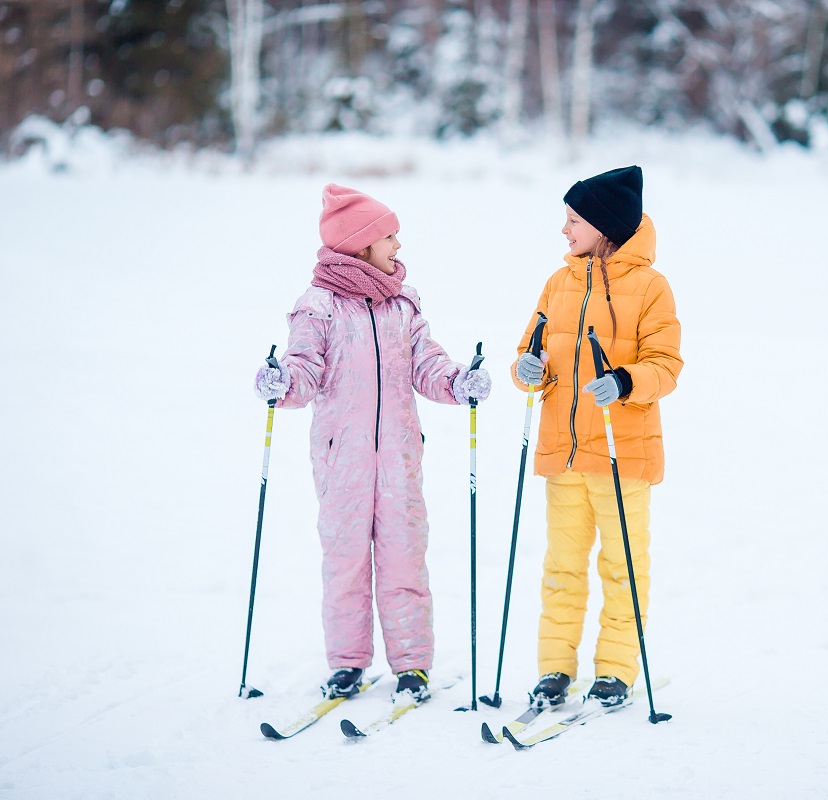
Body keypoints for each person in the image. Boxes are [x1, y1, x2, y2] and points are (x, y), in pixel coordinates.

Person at [254, 183, 491, 701]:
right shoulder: (317, 307)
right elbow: (304, 372)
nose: (398, 247)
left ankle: (412, 664)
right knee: (345, 564)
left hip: (400, 461)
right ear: (360, 243)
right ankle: (347, 663)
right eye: (389, 237)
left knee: (405, 559)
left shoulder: (403, 304)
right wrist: (281, 383)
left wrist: (456, 382)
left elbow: (427, 363)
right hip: (344, 462)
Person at [511, 165, 683, 708]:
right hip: (563, 456)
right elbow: (526, 351)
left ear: (605, 226)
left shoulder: (651, 287)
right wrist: (528, 369)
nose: (564, 230)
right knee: (561, 566)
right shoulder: (559, 282)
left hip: (621, 456)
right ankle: (555, 668)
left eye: (573, 220)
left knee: (622, 565)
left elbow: (667, 365)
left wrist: (627, 380)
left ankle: (614, 669)